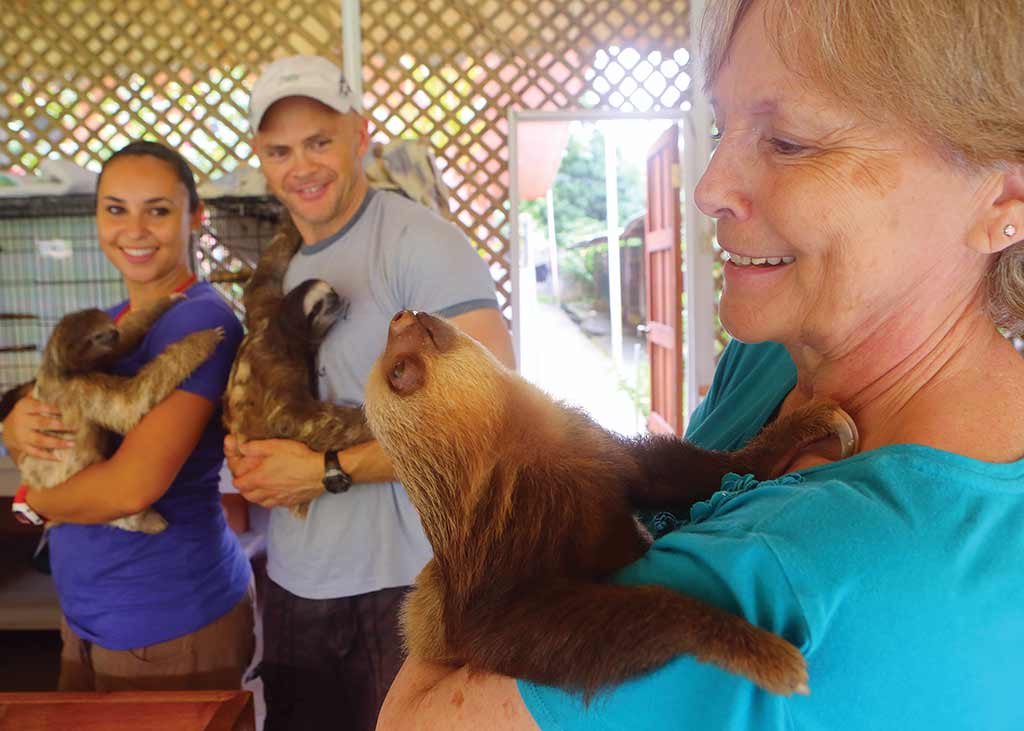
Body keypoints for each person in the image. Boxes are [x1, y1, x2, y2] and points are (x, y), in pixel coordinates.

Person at [376, 0, 1024, 729]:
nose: (709, 185)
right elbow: (649, 479)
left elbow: (416, 714)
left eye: (789, 141)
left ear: (1002, 193)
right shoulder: (773, 359)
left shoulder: (837, 567)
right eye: (722, 127)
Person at [224, 55, 515, 730]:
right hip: (297, 580)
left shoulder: (421, 243)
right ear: (261, 160)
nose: (302, 166)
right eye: (280, 150)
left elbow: (492, 410)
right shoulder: (280, 262)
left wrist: (326, 470)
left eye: (320, 142)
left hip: (408, 584)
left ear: (359, 135)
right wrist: (252, 451)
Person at [1, 141, 253, 691]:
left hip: (165, 619)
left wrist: (33, 504)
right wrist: (14, 424)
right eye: (116, 209)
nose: (134, 229)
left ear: (194, 218)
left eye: (157, 210)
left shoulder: (201, 322)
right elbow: (46, 429)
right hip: (90, 615)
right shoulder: (108, 323)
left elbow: (130, 489)